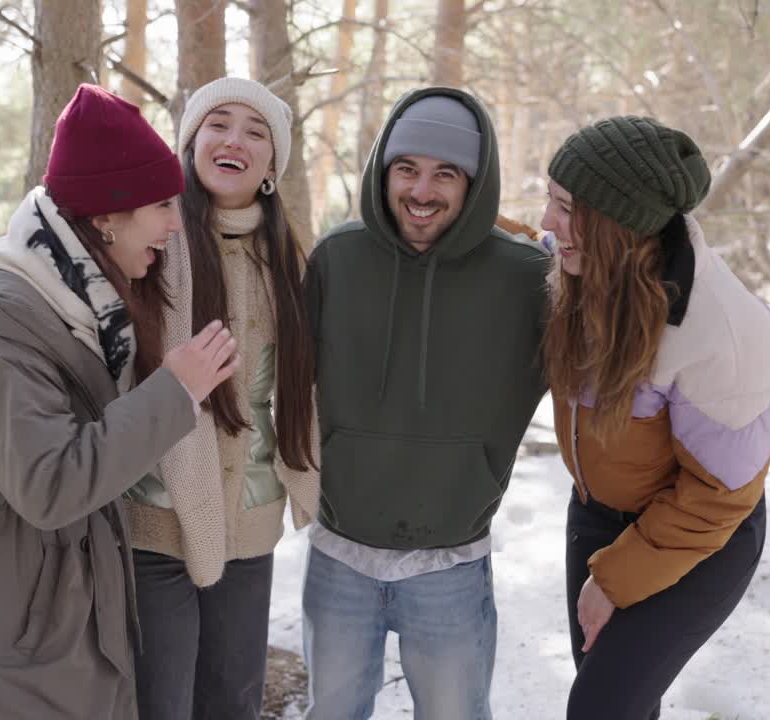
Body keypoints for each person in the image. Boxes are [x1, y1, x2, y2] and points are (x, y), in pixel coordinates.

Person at [0, 77, 319, 720]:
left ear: (273, 164)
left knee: (232, 697)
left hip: (247, 515)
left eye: (256, 130)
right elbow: (13, 273)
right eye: (218, 123)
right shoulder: (143, 240)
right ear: (190, 141)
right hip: (147, 515)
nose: (235, 139)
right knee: (158, 699)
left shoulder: (285, 257)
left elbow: (303, 384)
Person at [301, 87, 550, 719]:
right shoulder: (337, 259)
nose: (421, 190)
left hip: (451, 562)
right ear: (383, 171)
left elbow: (597, 372)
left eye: (446, 174)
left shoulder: (526, 279)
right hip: (339, 555)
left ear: (475, 182)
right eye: (406, 169)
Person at [538, 116, 770, 720]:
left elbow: (718, 499)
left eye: (566, 208)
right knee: (614, 698)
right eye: (550, 200)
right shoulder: (592, 266)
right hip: (597, 514)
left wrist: (615, 581)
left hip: (701, 531)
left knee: (601, 706)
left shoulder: (721, 331)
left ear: (617, 222)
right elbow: (527, 244)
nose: (549, 223)